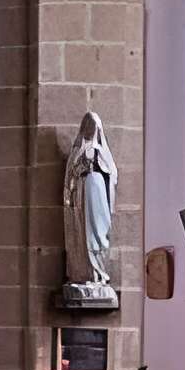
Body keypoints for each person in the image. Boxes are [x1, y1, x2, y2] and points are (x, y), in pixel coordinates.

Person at [62, 110, 118, 296]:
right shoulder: (78, 152)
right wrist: (80, 168)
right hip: (84, 192)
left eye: (94, 126)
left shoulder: (102, 152)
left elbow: (112, 174)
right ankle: (86, 272)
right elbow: (70, 180)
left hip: (98, 191)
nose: (91, 129)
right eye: (88, 126)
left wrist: (97, 164)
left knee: (99, 231)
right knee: (84, 232)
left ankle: (99, 274)